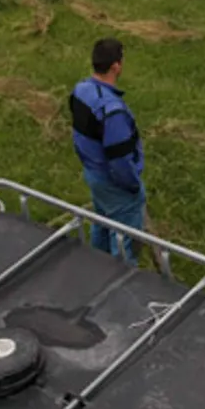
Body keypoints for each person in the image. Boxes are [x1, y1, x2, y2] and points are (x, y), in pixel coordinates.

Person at [70, 37, 147, 265]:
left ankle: (95, 269)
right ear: (116, 66)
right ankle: (117, 287)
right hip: (115, 183)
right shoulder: (112, 112)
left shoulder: (81, 90)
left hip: (93, 174)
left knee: (102, 223)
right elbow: (120, 159)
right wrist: (133, 187)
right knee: (125, 247)